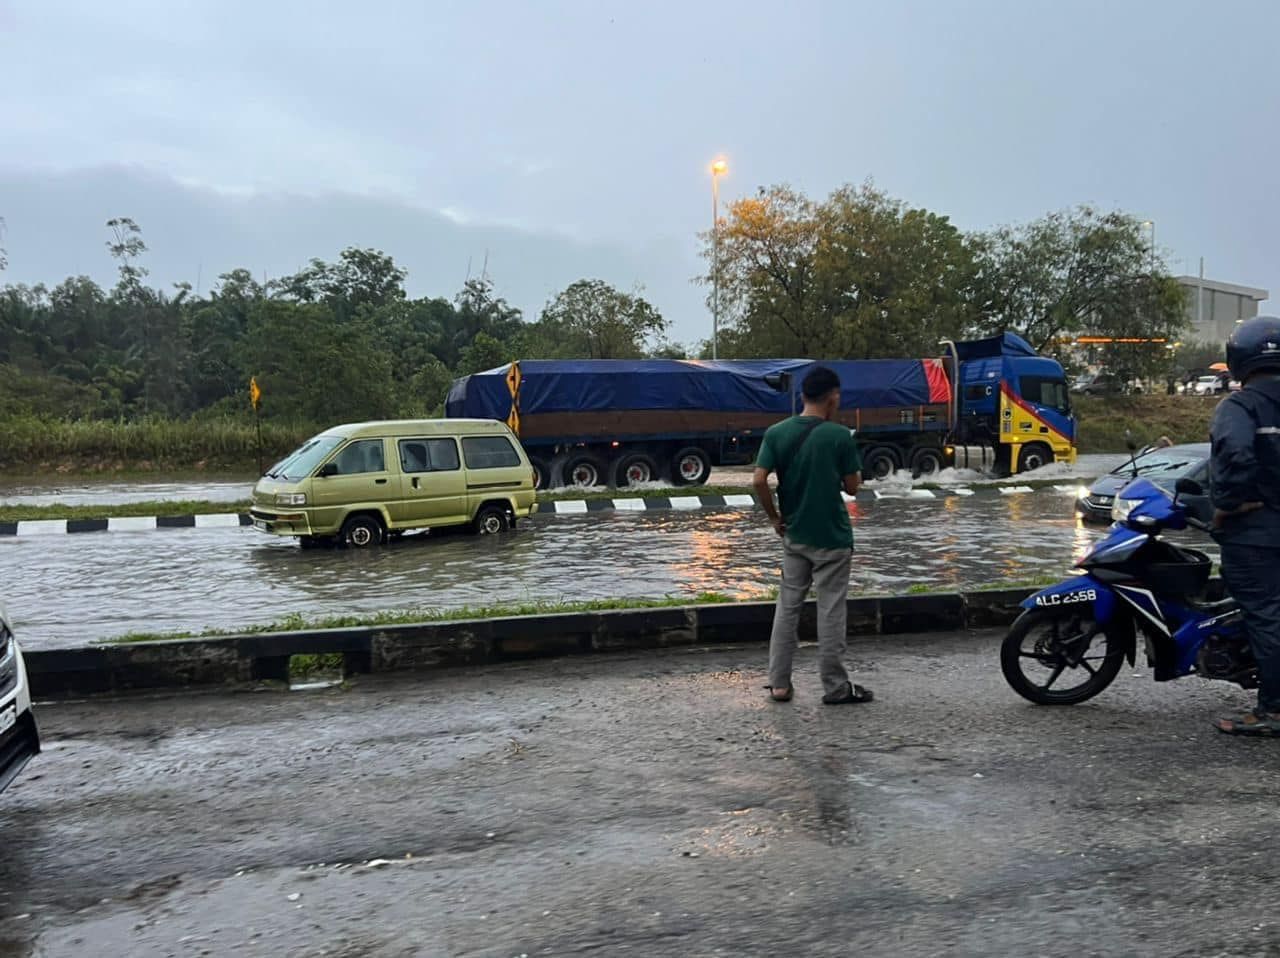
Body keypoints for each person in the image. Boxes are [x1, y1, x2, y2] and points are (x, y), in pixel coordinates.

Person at [753, 366, 873, 706]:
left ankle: (779, 684)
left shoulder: (776, 433)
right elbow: (852, 487)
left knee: (787, 608)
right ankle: (835, 687)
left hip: (795, 535)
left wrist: (775, 517)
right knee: (831, 610)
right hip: (832, 539)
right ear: (833, 397)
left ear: (803, 396)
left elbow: (759, 480)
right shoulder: (839, 437)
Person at [1208, 315, 1280, 735]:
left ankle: (1273, 710)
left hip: (1257, 534)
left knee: (1266, 616)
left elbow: (1234, 457)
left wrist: (1229, 505)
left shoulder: (1240, 406)